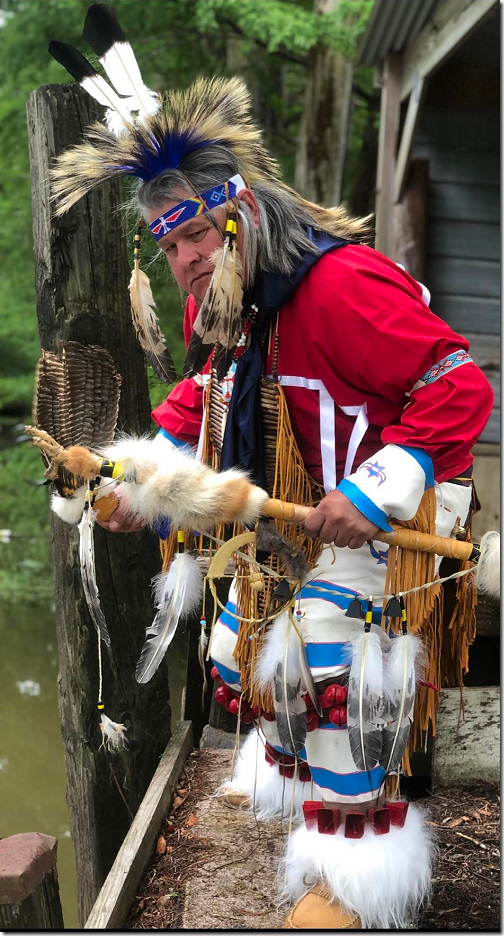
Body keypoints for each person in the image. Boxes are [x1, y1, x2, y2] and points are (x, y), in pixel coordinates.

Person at [48, 7, 493, 929]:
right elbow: (200, 409)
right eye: (167, 249)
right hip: (299, 520)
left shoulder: (338, 288)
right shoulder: (230, 311)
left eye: (192, 240)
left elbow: (458, 383)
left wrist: (377, 490)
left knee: (331, 655)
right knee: (244, 637)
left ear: (239, 219)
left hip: (393, 522)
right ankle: (290, 778)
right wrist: (137, 486)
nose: (181, 264)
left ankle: (356, 872)